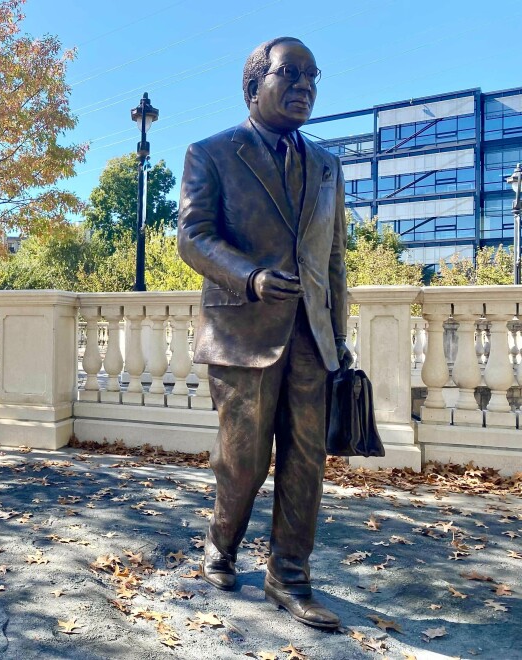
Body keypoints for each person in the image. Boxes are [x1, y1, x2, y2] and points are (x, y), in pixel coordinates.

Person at [177, 36, 351, 630]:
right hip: (243, 333)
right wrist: (249, 278)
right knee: (244, 462)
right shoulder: (213, 152)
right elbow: (192, 238)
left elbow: (334, 262)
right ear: (254, 85)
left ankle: (290, 576)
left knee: (307, 460)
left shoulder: (328, 165)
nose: (304, 86)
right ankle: (221, 544)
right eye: (290, 74)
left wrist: (339, 334)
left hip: (312, 336)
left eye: (312, 76)